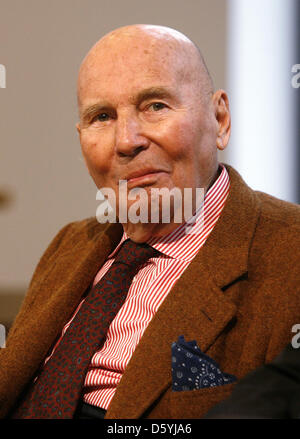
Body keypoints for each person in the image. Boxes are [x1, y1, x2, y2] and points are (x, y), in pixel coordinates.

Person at [0, 24, 299, 419]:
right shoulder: (71, 244)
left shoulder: (289, 252)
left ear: (220, 119)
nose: (127, 140)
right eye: (102, 116)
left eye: (155, 106)